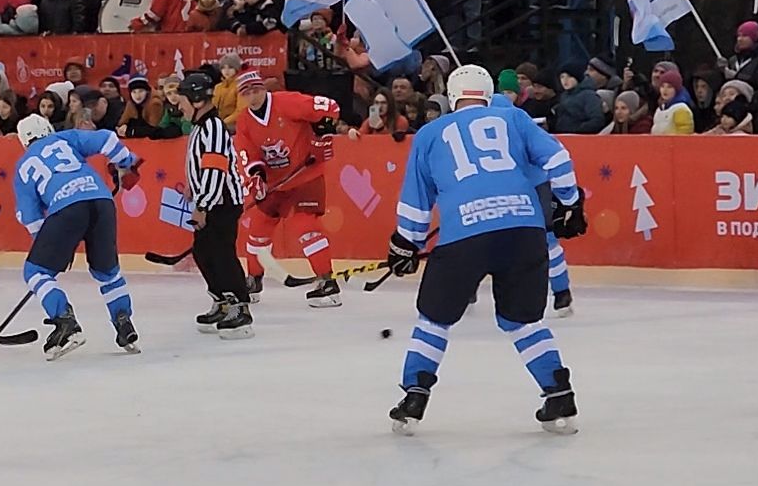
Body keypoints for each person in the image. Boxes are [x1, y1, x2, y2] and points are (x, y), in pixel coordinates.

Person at [386, 66, 586, 435]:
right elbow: (558, 159)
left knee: (435, 319)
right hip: (524, 229)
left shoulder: (430, 134)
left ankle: (415, 394)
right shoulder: (514, 117)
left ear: (451, 96)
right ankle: (559, 393)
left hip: (465, 233)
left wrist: (406, 244)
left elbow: (416, 201)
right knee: (523, 320)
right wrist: (570, 203)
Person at [12, 114, 142, 359]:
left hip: (66, 208)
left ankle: (64, 321)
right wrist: (128, 162)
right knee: (108, 272)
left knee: (35, 272)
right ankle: (124, 323)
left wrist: (51, 248)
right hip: (102, 201)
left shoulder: (23, 165)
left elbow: (30, 217)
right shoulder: (65, 138)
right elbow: (106, 139)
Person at [232, 70, 345, 307]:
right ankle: (253, 279)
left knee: (305, 225)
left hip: (305, 175)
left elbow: (330, 106)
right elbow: (246, 152)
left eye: (256, 90)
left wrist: (323, 126)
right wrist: (256, 175)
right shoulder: (244, 120)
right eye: (247, 93)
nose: (253, 97)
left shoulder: (287, 102)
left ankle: (327, 282)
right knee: (257, 229)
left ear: (264, 89)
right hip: (275, 183)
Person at [175, 72, 252, 338]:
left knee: (221, 254)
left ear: (196, 100)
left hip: (222, 203)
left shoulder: (213, 127)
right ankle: (222, 300)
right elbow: (202, 165)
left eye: (181, 98)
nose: (177, 105)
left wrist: (203, 205)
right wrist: (192, 186)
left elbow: (215, 169)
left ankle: (239, 307)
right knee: (204, 253)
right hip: (211, 200)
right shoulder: (200, 127)